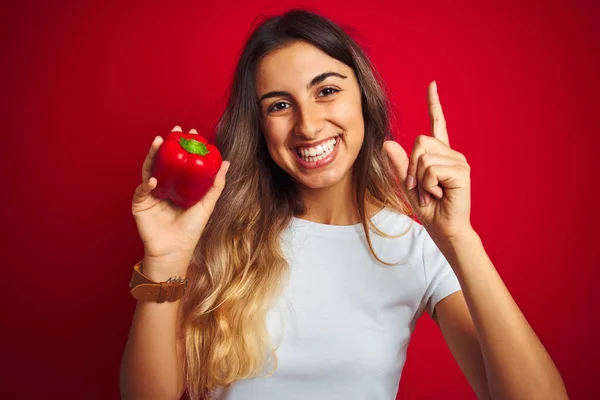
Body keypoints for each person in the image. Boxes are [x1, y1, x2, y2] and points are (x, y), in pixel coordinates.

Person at [119, 9, 569, 400]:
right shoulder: (216, 228)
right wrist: (165, 258)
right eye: (279, 105)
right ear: (258, 125)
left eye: (327, 91)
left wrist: (458, 237)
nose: (309, 125)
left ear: (364, 99)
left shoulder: (415, 246)